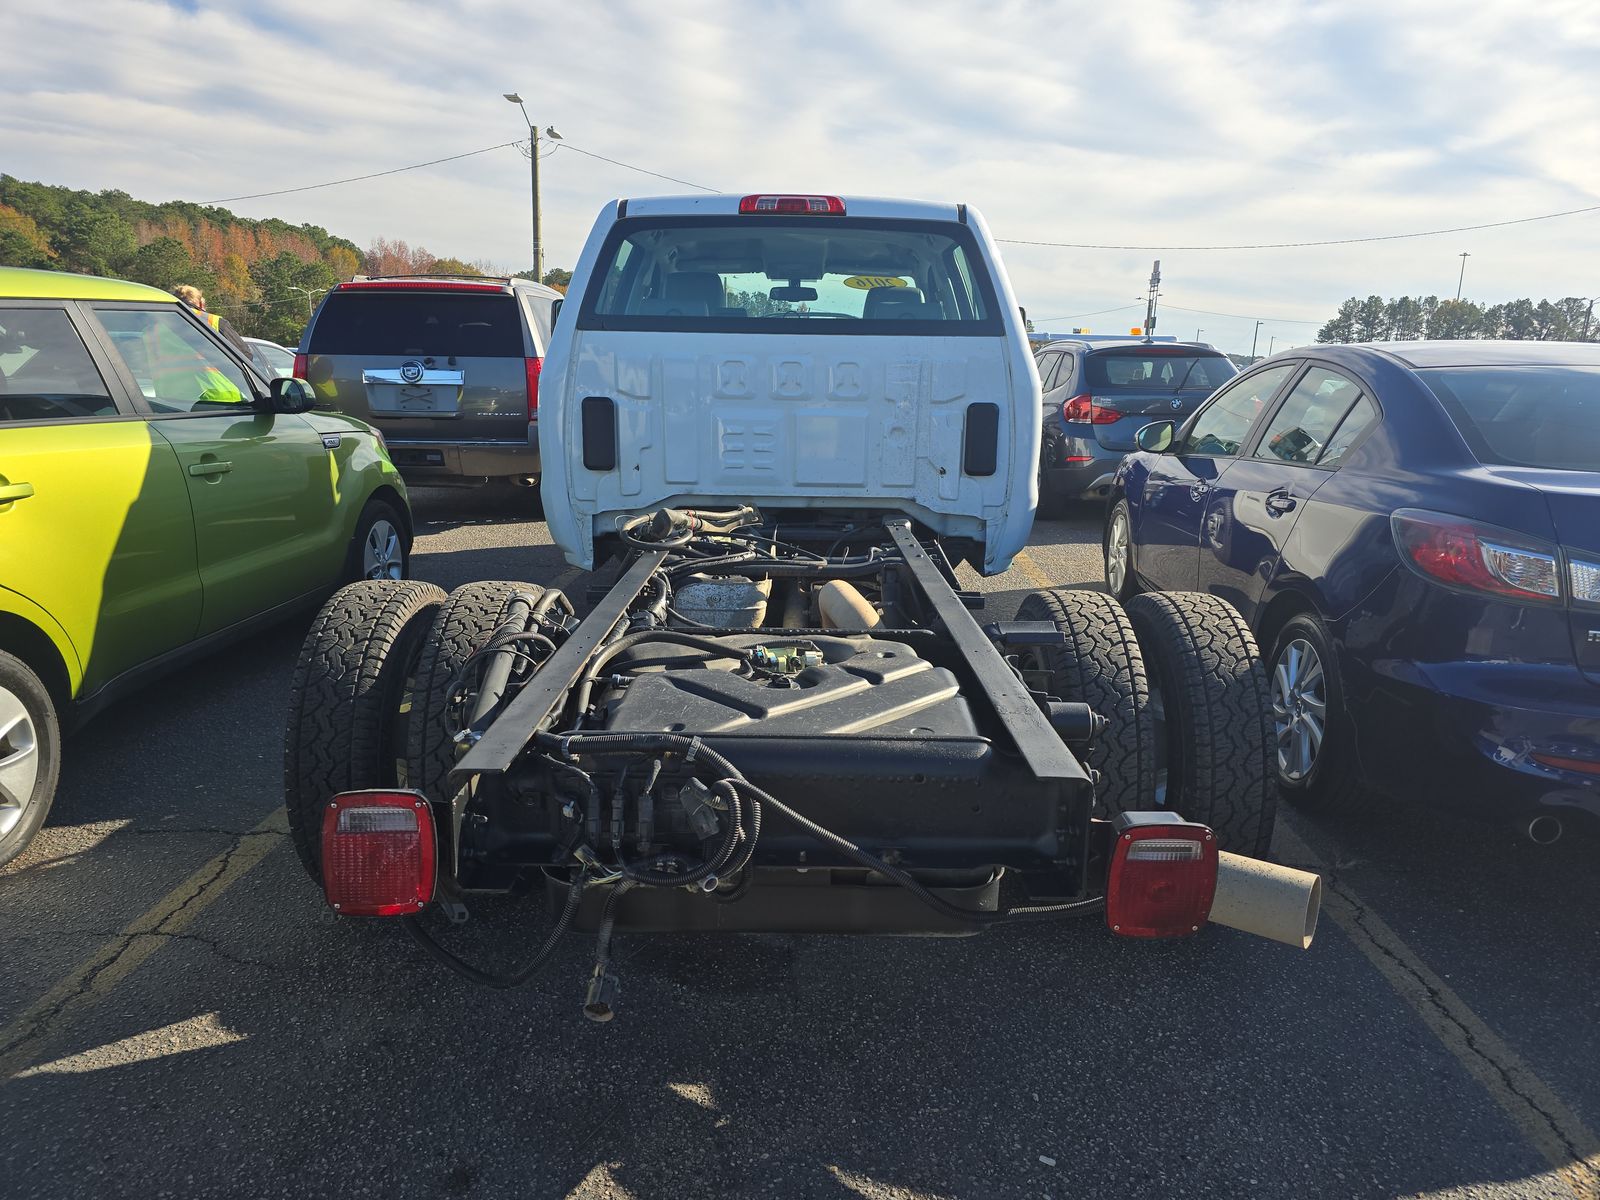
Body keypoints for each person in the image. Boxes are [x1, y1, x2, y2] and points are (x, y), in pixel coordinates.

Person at [173, 284, 255, 362]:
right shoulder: (215, 321)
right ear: (201, 304)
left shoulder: (164, 320)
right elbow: (245, 355)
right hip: (213, 376)